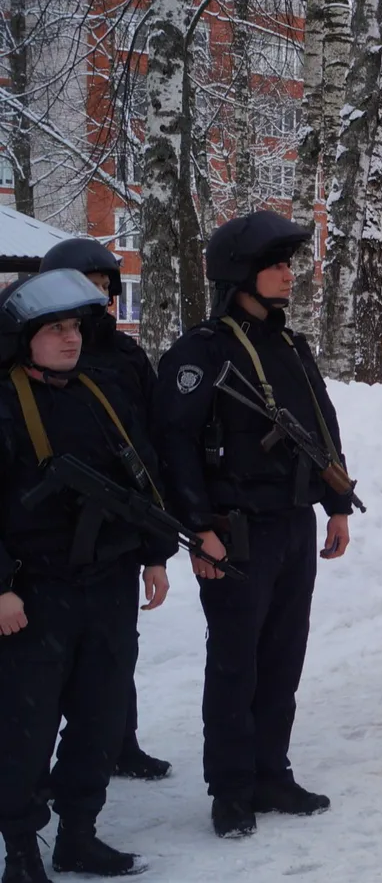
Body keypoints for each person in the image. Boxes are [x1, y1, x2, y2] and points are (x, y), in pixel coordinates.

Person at [151, 211, 357, 838]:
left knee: (283, 659)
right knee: (235, 665)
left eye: (289, 263)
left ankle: (271, 772)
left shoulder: (290, 346)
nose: (289, 274)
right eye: (276, 265)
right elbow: (174, 445)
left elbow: (321, 425)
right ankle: (232, 790)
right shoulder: (202, 351)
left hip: (292, 522)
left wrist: (337, 503)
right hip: (233, 531)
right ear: (240, 273)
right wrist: (198, 528)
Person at [0, 270, 173, 881]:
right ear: (24, 338)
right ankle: (21, 851)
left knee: (101, 716)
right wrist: (1, 587)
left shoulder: (101, 392)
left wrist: (156, 554)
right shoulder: (5, 403)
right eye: (55, 329)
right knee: (25, 727)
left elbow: (142, 474)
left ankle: (78, 834)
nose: (70, 338)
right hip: (35, 591)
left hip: (108, 583)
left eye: (74, 326)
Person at [37, 238, 170, 782]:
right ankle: (35, 774)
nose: (97, 297)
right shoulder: (36, 355)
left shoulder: (125, 355)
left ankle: (119, 741)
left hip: (117, 525)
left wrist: (155, 545)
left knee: (115, 654)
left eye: (103, 287)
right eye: (85, 285)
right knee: (45, 666)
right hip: (45, 540)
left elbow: (151, 440)